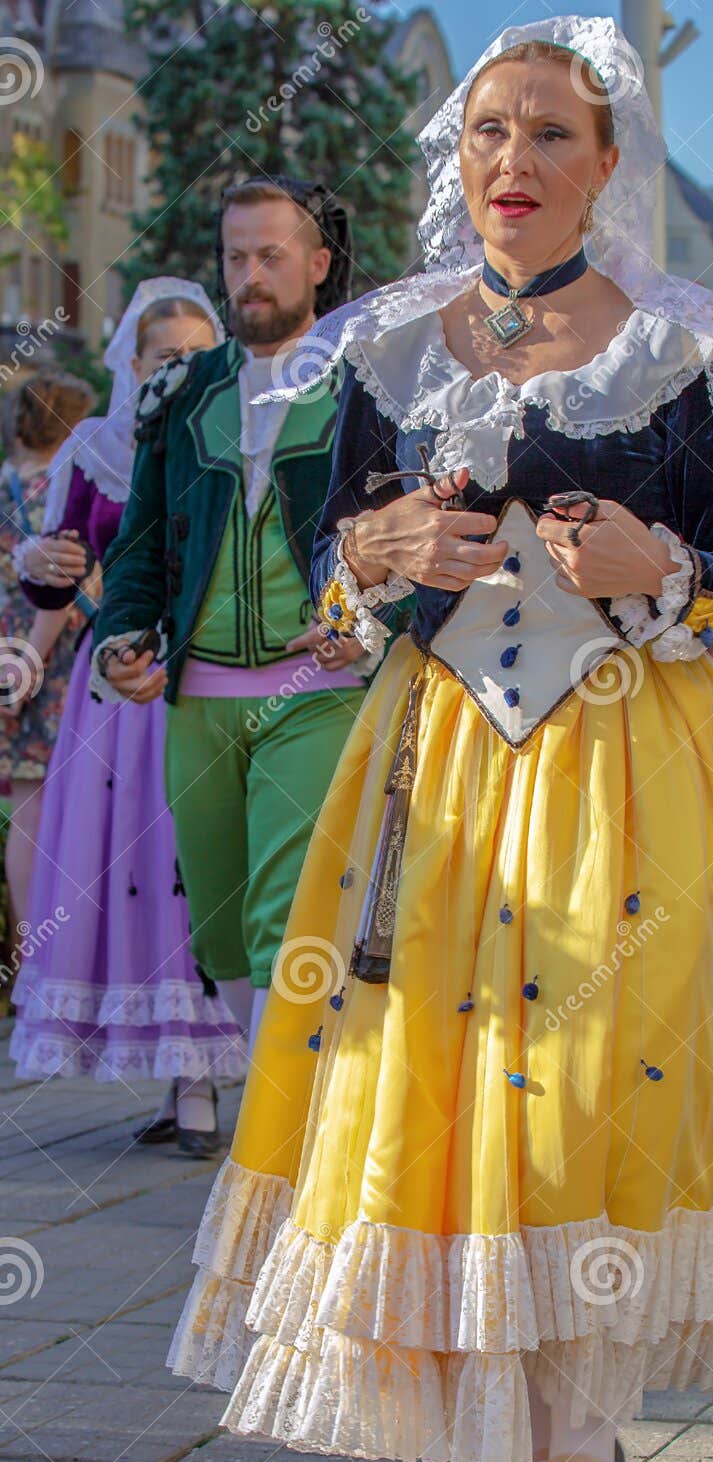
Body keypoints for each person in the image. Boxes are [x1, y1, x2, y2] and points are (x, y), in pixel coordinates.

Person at [170, 17, 713, 1462]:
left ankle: (582, 1436)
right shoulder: (388, 350)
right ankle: (527, 1419)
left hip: (631, 768)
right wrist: (379, 555)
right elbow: (341, 588)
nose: (513, 163)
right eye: (488, 133)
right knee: (459, 1090)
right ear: (454, 160)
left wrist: (666, 568)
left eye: (550, 134)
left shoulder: (680, 351)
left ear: (605, 166)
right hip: (440, 777)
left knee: (585, 1095)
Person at [88, 179, 366, 1059]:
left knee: (286, 915)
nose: (249, 276)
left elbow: (402, 525)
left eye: (270, 257)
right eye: (235, 257)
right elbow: (135, 545)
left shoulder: (368, 382)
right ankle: (281, 1105)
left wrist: (371, 617)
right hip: (197, 695)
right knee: (217, 927)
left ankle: (281, 1140)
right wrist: (118, 639)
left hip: (317, 684)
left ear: (317, 264)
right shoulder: (179, 390)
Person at [11, 281, 245, 1153]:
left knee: (193, 873)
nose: (176, 372)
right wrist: (42, 560)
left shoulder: (235, 439)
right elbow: (58, 577)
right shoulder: (95, 451)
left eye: (192, 357)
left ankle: (200, 1080)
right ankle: (170, 1072)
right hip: (114, 696)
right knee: (128, 880)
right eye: (161, 359)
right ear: (131, 363)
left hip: (205, 681)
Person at [0, 369, 95, 929]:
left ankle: (27, 956)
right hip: (52, 661)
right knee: (63, 812)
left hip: (8, 654)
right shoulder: (60, 488)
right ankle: (59, 954)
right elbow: (61, 595)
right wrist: (30, 662)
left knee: (25, 812)